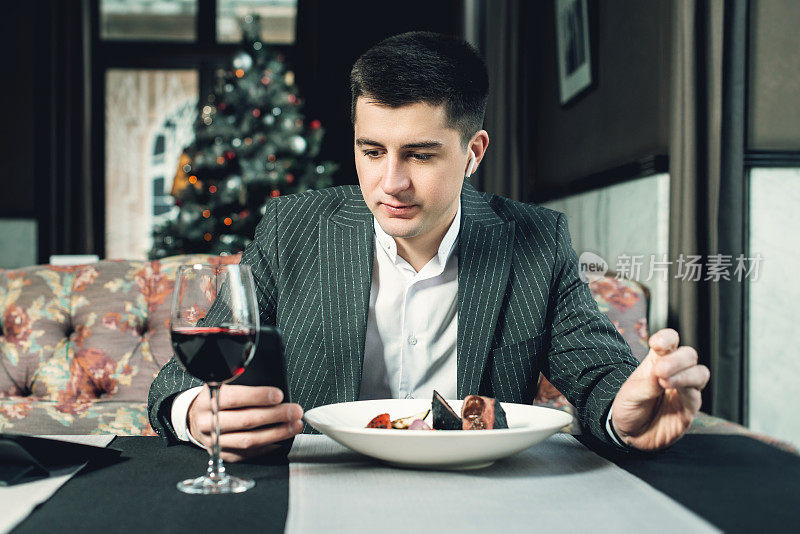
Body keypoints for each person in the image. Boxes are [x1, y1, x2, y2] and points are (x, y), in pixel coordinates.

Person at [148, 31, 710, 462]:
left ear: (473, 152)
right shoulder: (292, 228)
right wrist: (198, 411)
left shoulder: (536, 241)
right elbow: (180, 384)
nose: (390, 183)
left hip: (478, 503)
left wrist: (625, 413)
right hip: (324, 488)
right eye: (371, 152)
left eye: (419, 155)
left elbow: (598, 378)